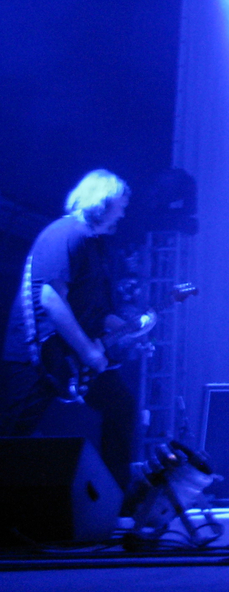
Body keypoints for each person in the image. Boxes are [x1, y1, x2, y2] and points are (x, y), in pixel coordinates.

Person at [1, 169, 137, 496]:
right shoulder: (67, 234)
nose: (123, 213)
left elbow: (95, 310)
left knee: (121, 408)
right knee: (12, 435)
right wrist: (89, 351)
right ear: (102, 202)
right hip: (36, 355)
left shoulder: (94, 245)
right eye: (120, 205)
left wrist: (128, 327)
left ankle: (117, 501)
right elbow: (51, 299)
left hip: (69, 355)